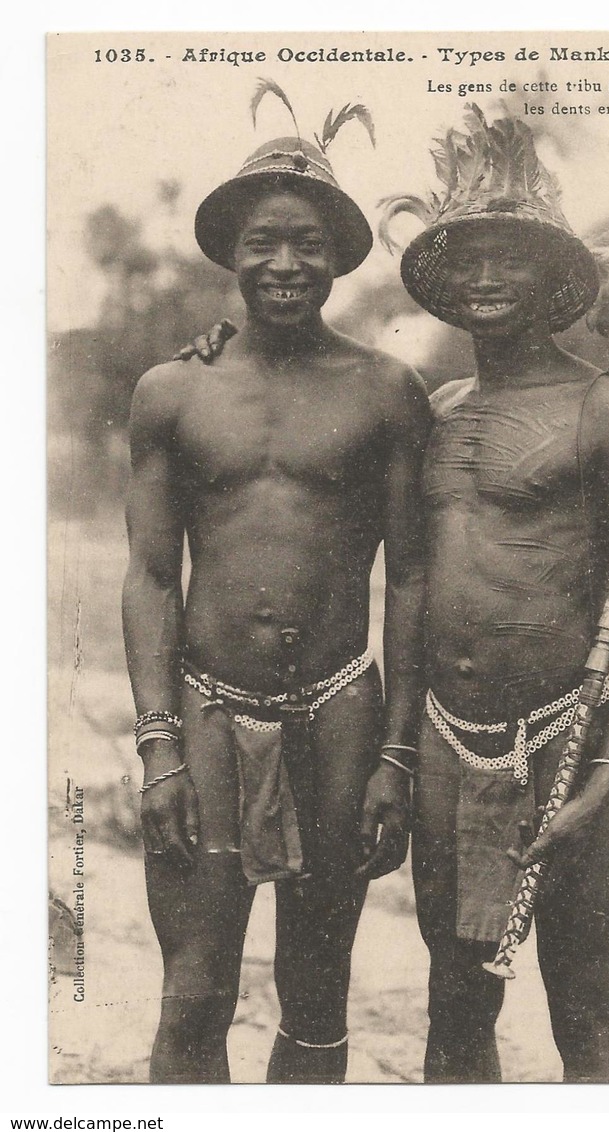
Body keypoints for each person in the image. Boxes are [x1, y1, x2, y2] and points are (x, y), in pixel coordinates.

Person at [180, 109, 609, 1083]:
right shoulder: (437, 408)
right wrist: (217, 341)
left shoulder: (608, 414)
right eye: (471, 263)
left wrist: (608, 769)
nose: (489, 279)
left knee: (588, 1015)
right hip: (450, 751)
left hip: (563, 743)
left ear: (554, 280)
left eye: (513, 261)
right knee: (455, 1008)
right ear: (446, 286)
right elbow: (400, 568)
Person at [122, 126, 430, 1085]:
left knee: (317, 990)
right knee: (195, 992)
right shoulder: (173, 389)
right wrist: (159, 744)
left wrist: (397, 753)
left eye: (307, 243)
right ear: (232, 251)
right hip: (209, 711)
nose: (286, 263)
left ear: (339, 256)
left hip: (341, 714)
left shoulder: (386, 392)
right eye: (263, 241)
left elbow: (413, 577)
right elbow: (149, 576)